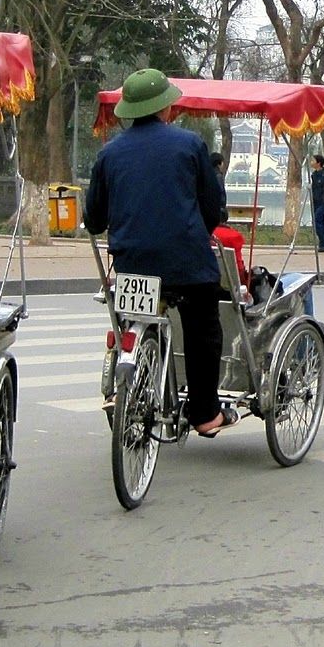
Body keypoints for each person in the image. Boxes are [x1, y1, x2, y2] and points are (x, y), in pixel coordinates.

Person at [85, 68, 236, 437]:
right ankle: (205, 414)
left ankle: (127, 373)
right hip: (186, 264)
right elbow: (213, 208)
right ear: (165, 108)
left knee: (129, 321)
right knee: (204, 328)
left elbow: (94, 218)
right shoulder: (190, 145)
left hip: (131, 265)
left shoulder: (109, 154)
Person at [310, 154, 324, 253]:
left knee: (318, 219)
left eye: (313, 160)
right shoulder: (314, 175)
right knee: (317, 222)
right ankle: (323, 243)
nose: (311, 162)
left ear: (318, 163)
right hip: (316, 201)